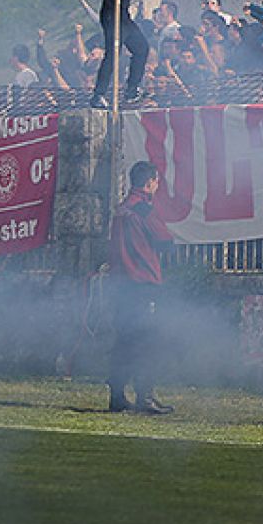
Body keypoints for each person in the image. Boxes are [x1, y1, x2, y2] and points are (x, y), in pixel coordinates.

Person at [107, 160, 176, 414]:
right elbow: (165, 241)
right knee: (147, 342)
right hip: (142, 285)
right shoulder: (144, 209)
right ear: (149, 183)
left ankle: (116, 396)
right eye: (156, 181)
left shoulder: (121, 209)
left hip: (120, 286)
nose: (157, 185)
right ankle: (145, 397)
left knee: (124, 341)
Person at [88, 0, 166, 108]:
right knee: (113, 54)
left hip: (123, 16)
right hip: (111, 15)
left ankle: (132, 89)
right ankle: (98, 94)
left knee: (141, 48)